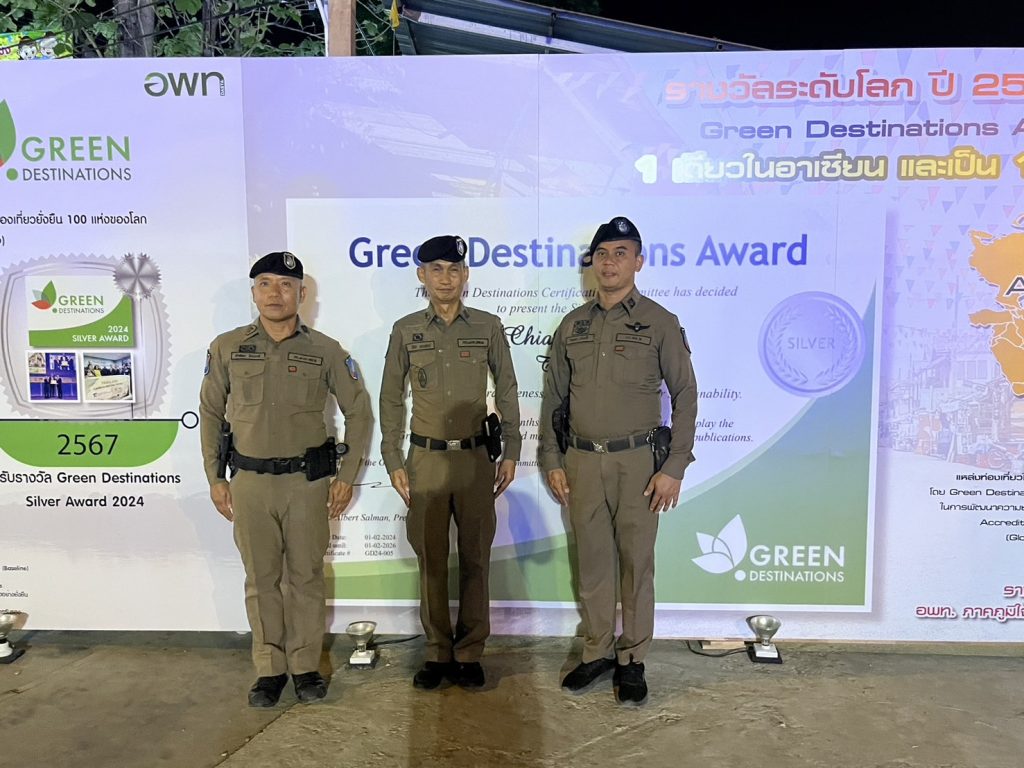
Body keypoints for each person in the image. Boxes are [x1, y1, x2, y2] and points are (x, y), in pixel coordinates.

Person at [199, 251, 372, 708]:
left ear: (302, 293)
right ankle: (269, 670)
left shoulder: (326, 351)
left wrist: (346, 476)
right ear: (253, 292)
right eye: (265, 284)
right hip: (250, 482)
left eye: (285, 285)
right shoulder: (227, 347)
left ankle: (306, 666)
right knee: (260, 580)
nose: (275, 293)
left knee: (306, 578)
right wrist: (215, 476)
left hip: (306, 484)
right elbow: (211, 413)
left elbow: (359, 413)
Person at [540, 216, 698, 706]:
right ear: (593, 263)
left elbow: (685, 395)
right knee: (593, 565)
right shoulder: (573, 325)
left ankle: (632, 659)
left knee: (636, 565)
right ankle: (597, 652)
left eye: (620, 254)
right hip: (582, 461)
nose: (610, 263)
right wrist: (552, 458)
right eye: (602, 254)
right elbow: (554, 399)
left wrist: (674, 466)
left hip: (639, 465)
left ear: (638, 262)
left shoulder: (660, 322)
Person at [379, 234, 521, 690]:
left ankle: (471, 651)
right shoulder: (406, 330)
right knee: (432, 559)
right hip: (426, 460)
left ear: (466, 275)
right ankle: (438, 651)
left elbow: (508, 388)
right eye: (437, 269)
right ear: (422, 275)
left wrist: (512, 450)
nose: (446, 278)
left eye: (454, 269)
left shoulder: (487, 326)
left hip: (476, 460)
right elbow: (390, 397)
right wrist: (392, 456)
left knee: (477, 557)